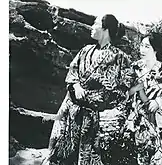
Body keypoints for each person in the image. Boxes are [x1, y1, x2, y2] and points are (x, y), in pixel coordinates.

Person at [42, 14, 133, 165]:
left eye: (95, 24)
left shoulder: (120, 57)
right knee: (58, 150)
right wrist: (76, 86)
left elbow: (124, 87)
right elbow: (73, 71)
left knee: (84, 155)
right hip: (69, 108)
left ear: (105, 29)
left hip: (91, 115)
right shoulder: (86, 50)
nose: (92, 27)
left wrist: (96, 98)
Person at [125, 32, 162, 165]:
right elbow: (127, 90)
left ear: (156, 49)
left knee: (158, 151)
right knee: (141, 150)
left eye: (147, 47)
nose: (142, 50)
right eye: (141, 46)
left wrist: (157, 101)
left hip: (159, 115)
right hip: (139, 115)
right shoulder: (135, 67)